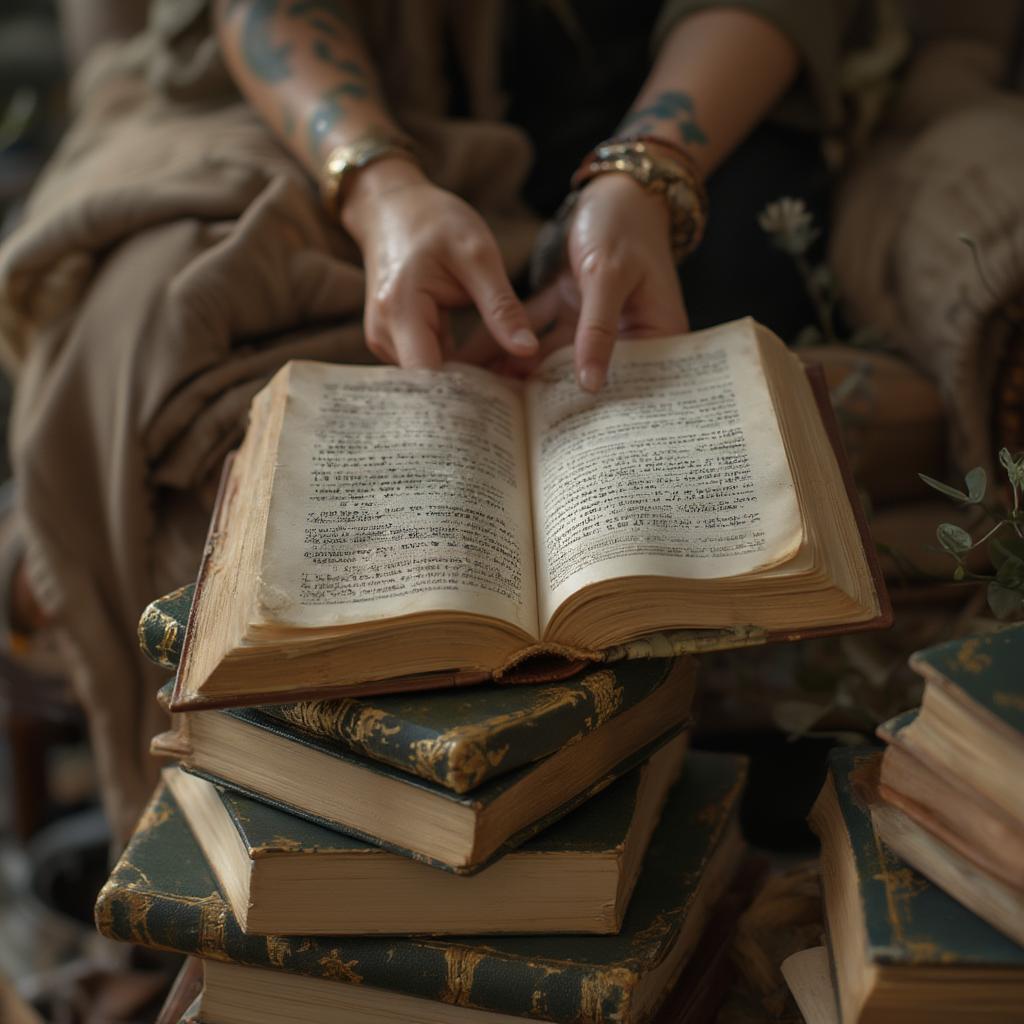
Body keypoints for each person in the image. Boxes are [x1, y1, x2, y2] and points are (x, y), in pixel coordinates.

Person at [0, 0, 873, 841]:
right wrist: (379, 192)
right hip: (326, 129)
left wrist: (643, 177)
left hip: (666, 123)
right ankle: (230, 883)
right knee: (152, 332)